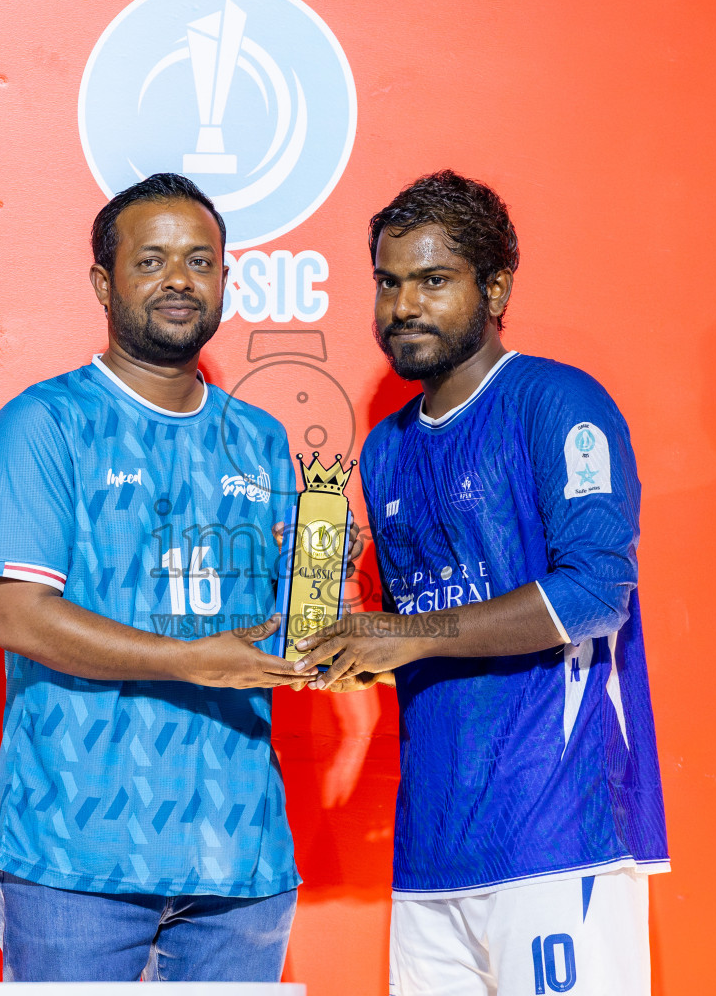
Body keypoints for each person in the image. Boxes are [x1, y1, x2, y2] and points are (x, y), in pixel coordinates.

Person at [294, 171, 669, 995]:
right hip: (431, 849)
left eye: (432, 280)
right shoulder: (385, 449)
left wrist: (402, 634)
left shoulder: (559, 402)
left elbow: (597, 593)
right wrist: (339, 649)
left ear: (495, 287)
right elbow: (423, 635)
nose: (403, 306)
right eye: (388, 283)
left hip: (556, 833)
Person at [0, 173, 320, 982]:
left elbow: (288, 629)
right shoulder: (44, 423)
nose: (178, 281)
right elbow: (22, 619)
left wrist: (325, 608)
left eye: (200, 261)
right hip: (75, 863)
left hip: (242, 860)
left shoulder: (262, 439)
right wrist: (193, 657)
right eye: (152, 260)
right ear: (105, 281)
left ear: (226, 280)